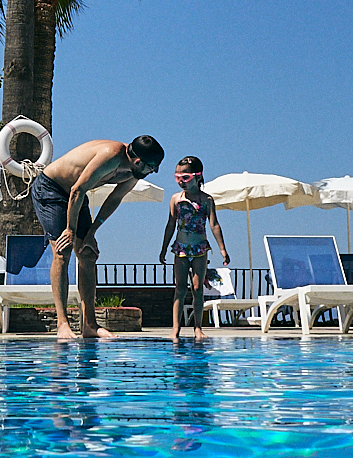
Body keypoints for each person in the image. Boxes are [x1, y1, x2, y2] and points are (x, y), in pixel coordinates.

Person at [29, 135, 164, 340]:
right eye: (152, 167)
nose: (153, 172)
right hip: (52, 188)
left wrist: (92, 232)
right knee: (63, 251)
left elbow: (115, 198)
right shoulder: (110, 156)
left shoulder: (135, 173)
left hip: (76, 195)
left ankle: (89, 325)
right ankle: (63, 324)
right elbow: (77, 189)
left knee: (88, 254)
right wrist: (70, 230)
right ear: (139, 161)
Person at [158, 156, 233, 343]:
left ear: (198, 177)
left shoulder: (206, 200)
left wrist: (222, 249)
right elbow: (170, 225)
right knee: (180, 288)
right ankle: (176, 329)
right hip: (180, 248)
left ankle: (198, 328)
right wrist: (163, 248)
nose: (181, 182)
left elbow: (214, 224)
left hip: (200, 248)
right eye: (177, 178)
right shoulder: (176, 199)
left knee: (198, 288)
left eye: (186, 178)